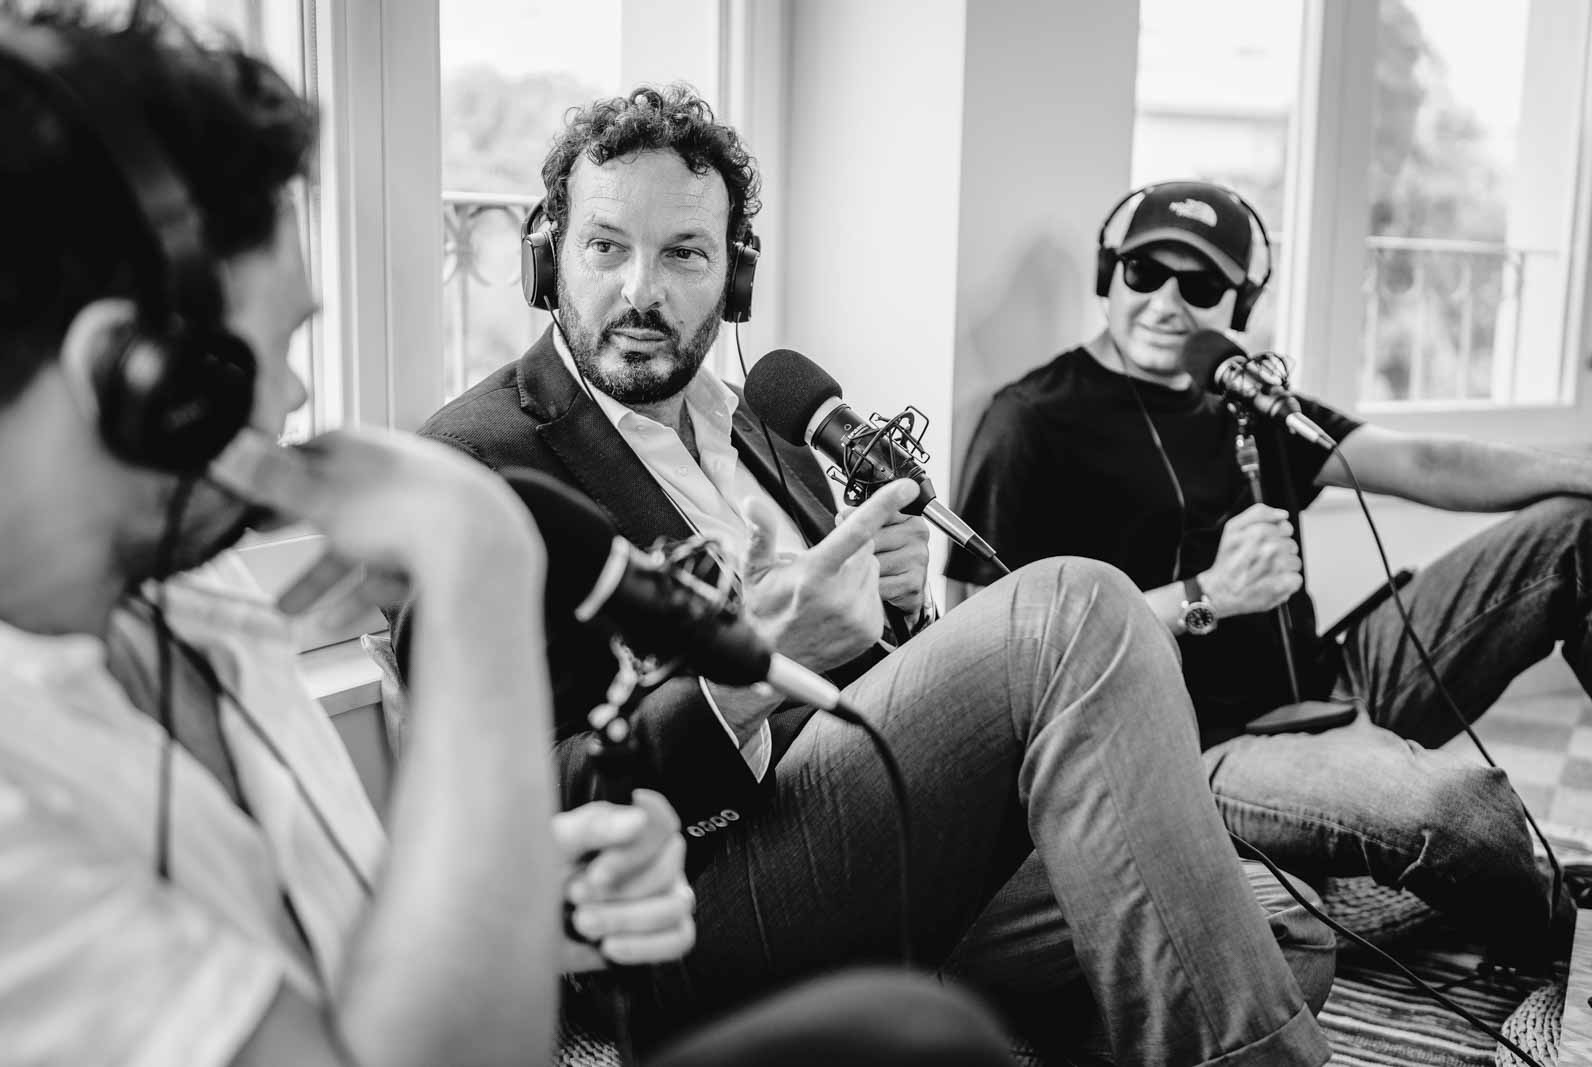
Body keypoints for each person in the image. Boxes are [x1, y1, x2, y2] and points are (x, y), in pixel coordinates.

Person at [0, 6, 1021, 1066]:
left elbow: (362, 936)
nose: (298, 395)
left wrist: (537, 901)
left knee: (935, 1030)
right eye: (275, 347)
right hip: (705, 922)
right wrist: (477, 558)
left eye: (684, 252)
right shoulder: (18, 804)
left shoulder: (207, 613)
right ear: (140, 379)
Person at [409, 85, 1338, 1066]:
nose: (641, 290)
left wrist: (901, 607)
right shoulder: (476, 465)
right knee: (1073, 606)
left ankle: (935, 1011)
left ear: (734, 277)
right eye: (606, 246)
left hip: (878, 845)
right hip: (693, 895)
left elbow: (878, 680)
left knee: (1285, 929)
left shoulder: (767, 428)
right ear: (549, 253)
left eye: (684, 253)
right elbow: (497, 816)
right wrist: (745, 672)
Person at [951, 178, 1592, 969]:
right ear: (1108, 274)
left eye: (1201, 285)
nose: (1165, 303)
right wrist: (1206, 595)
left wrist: (1589, 473)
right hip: (1203, 749)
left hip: (1324, 684)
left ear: (1241, 302)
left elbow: (1426, 461)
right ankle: (1570, 943)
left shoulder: (1245, 395)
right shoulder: (1028, 422)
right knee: (1472, 815)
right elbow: (991, 656)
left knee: (1581, 531)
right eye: (1144, 272)